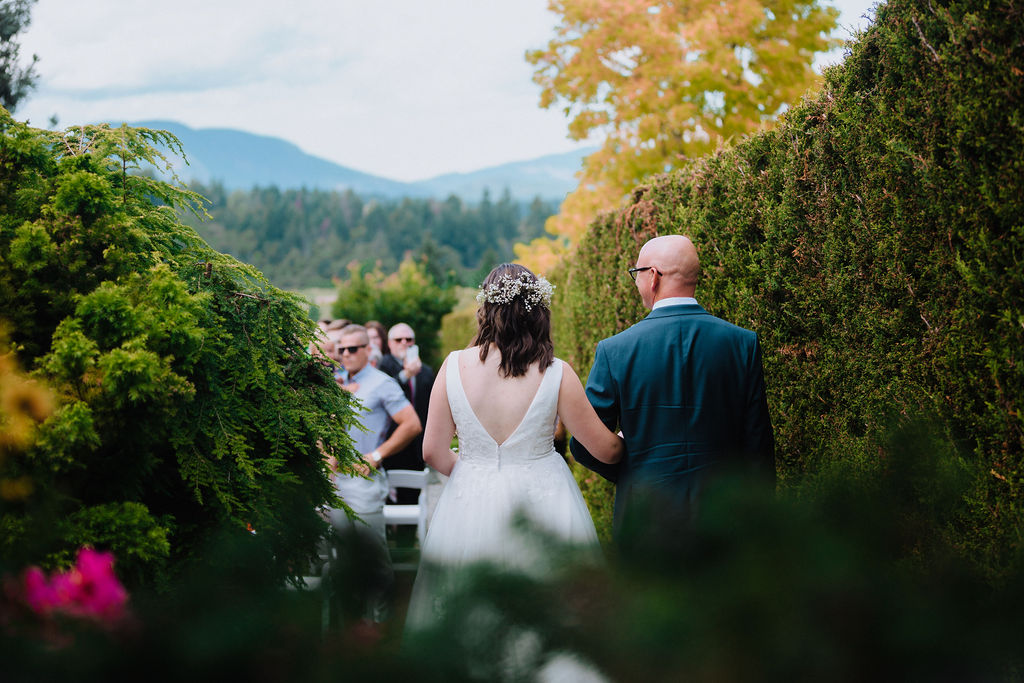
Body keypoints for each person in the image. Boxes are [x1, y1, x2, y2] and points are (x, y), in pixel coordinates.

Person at [404, 264, 624, 629]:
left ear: (485, 310)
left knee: (469, 616)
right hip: (545, 503)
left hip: (469, 500)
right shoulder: (556, 372)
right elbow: (606, 451)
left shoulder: (452, 366)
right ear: (538, 310)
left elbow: (432, 452)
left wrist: (476, 473)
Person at [569, 234, 775, 542]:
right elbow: (758, 446)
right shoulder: (742, 343)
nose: (636, 283)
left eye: (636, 274)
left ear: (652, 276)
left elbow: (583, 445)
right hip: (728, 519)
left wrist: (636, 471)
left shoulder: (615, 350)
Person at [326, 324, 422, 623]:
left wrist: (377, 456)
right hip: (332, 482)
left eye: (352, 348)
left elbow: (411, 423)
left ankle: (381, 625)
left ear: (368, 350)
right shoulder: (333, 381)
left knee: (374, 556)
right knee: (339, 557)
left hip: (363, 481)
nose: (345, 354)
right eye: (341, 349)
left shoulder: (382, 383)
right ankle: (344, 627)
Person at [378, 323, 435, 500]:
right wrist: (405, 376)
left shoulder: (426, 371)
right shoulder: (383, 366)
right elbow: (382, 393)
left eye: (408, 339)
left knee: (412, 497)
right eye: (398, 339)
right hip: (391, 441)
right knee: (388, 500)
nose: (404, 342)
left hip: (417, 445)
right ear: (390, 343)